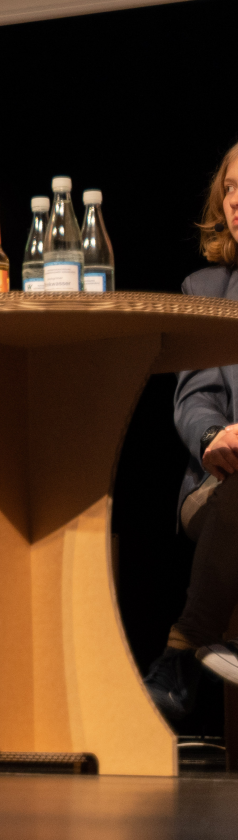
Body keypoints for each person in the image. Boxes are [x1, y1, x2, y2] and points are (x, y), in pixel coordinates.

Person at [144, 141, 238, 723]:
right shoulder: (206, 291)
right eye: (230, 186)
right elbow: (194, 396)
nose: (236, 199)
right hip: (221, 483)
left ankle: (183, 651)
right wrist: (213, 439)